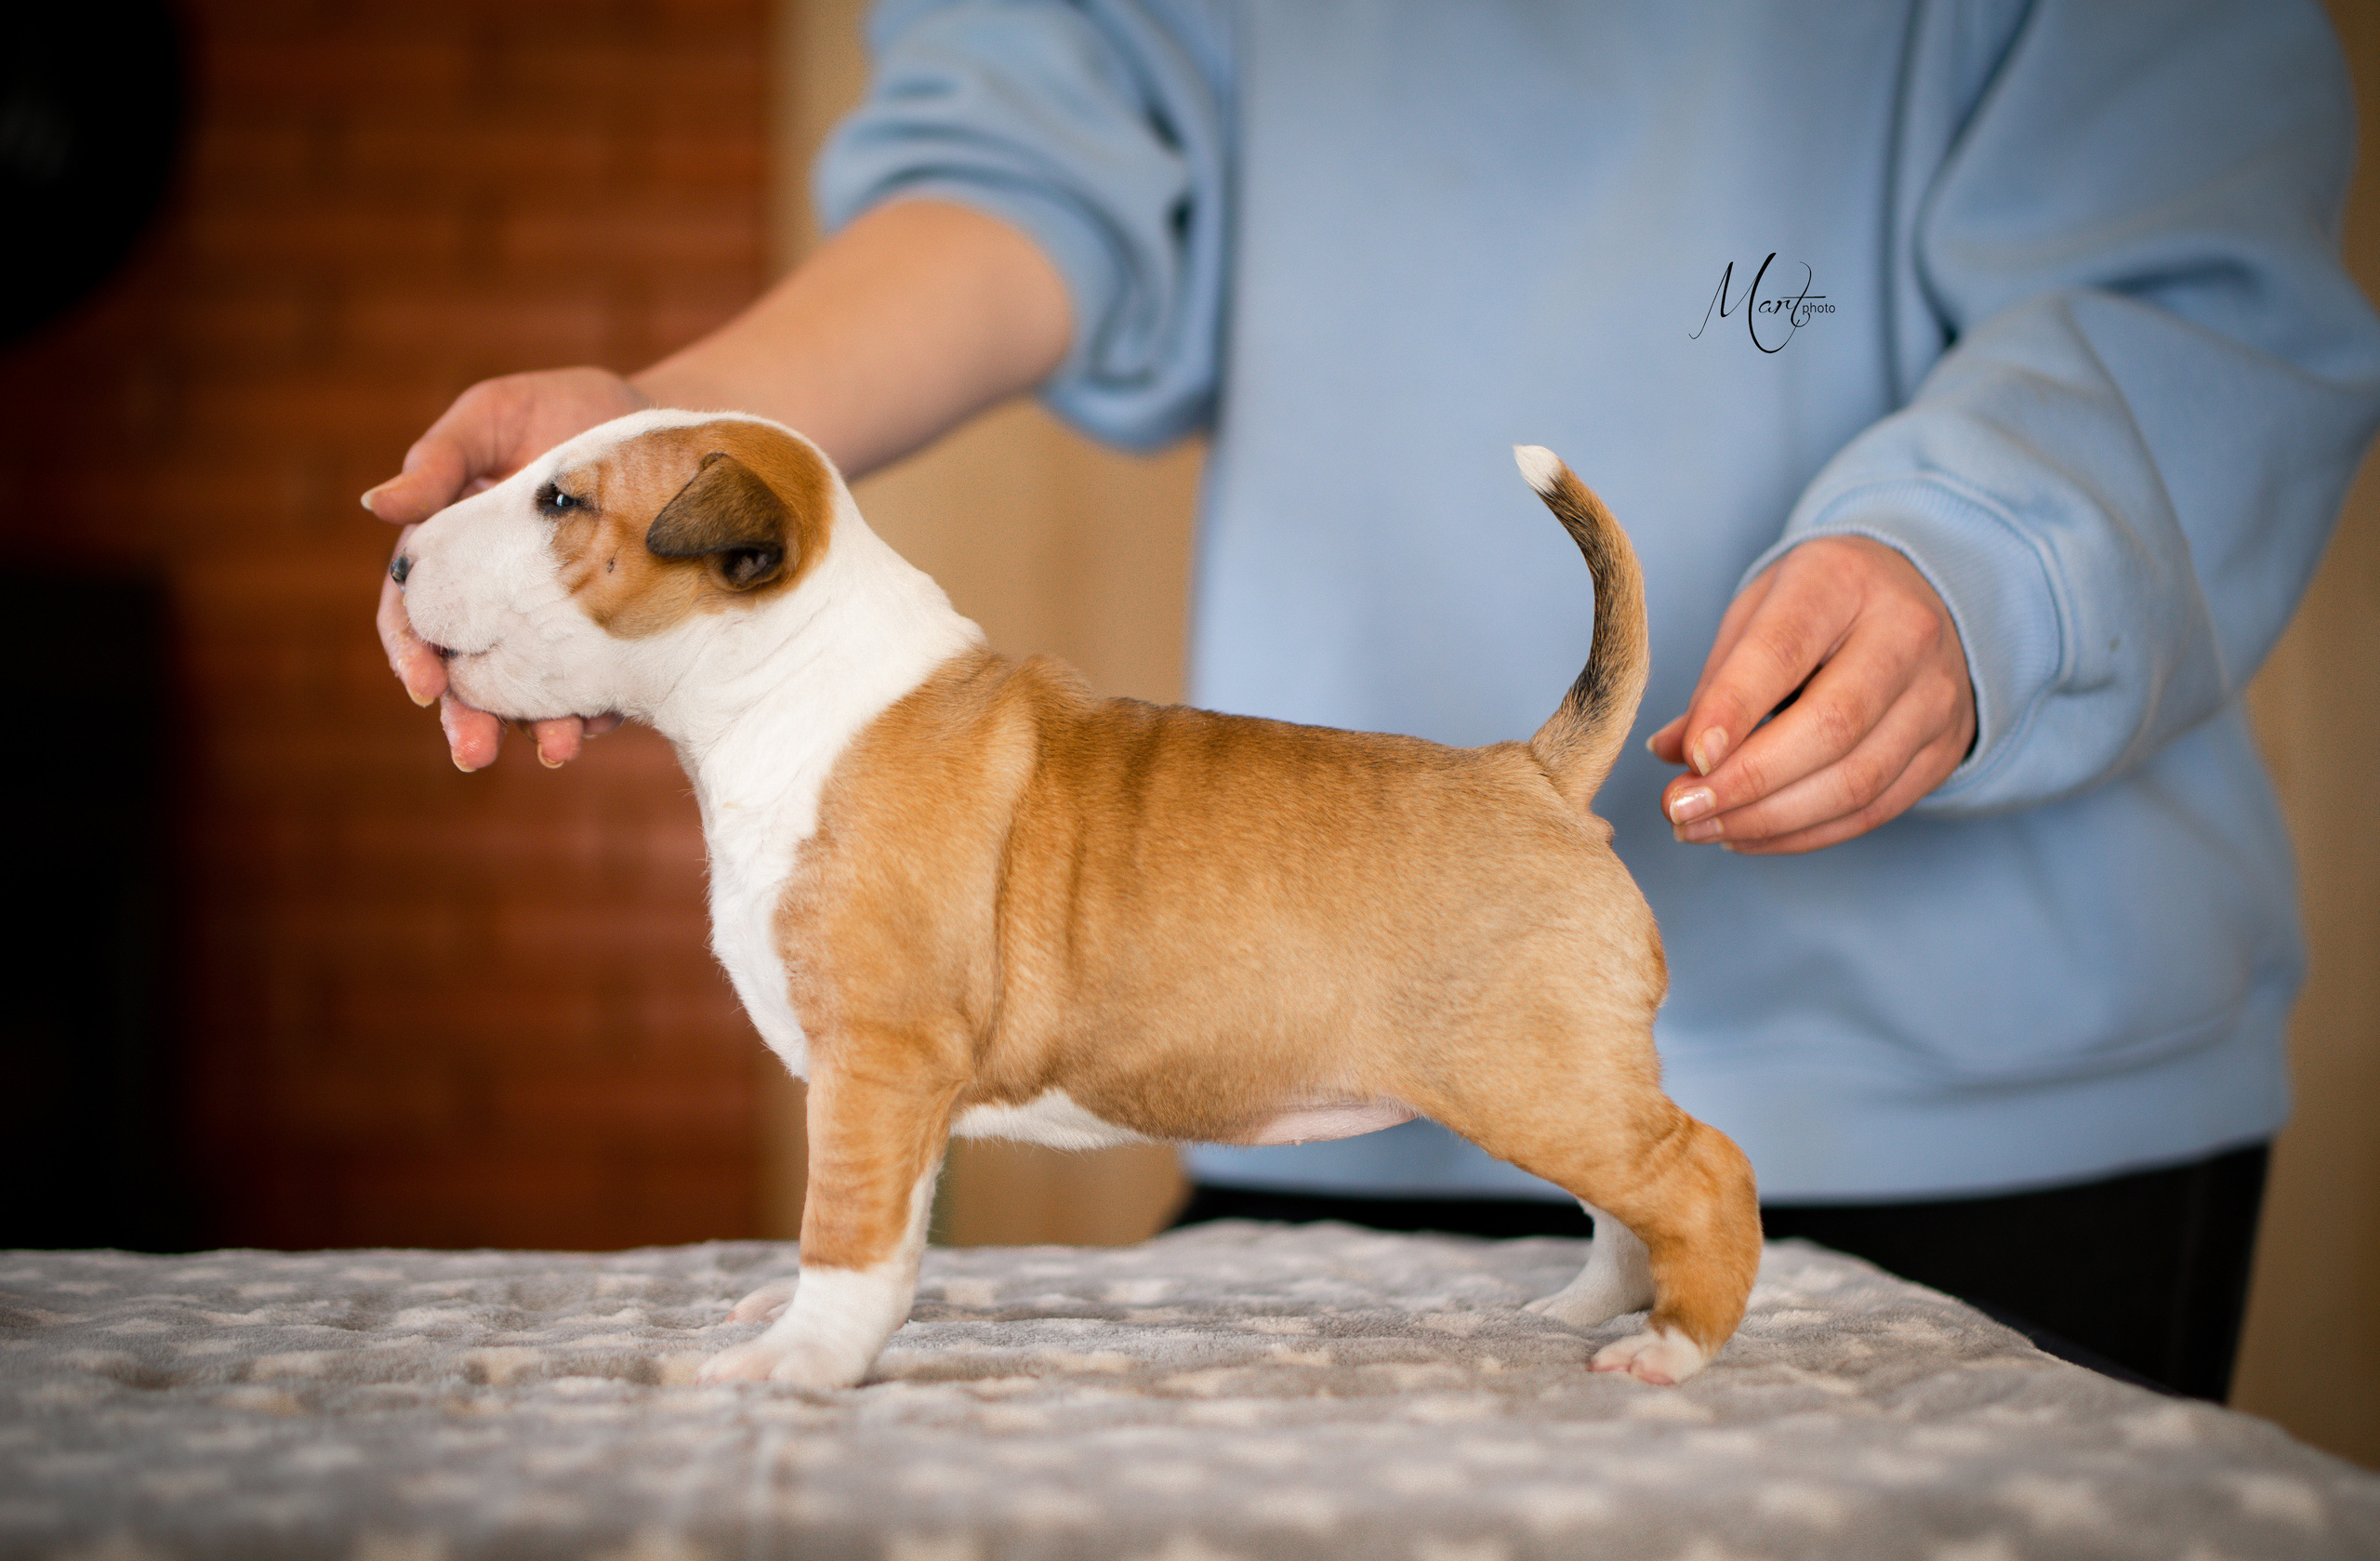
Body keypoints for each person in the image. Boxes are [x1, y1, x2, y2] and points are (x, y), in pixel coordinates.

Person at [370, 0, 2380, 1399]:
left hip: (1994, 1069)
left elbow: (2183, 261)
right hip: (1267, 1038)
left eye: (590, 521)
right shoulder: (804, 672)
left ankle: (1686, 1238)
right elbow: (1029, 150)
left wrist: (1992, 563)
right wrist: (654, 424)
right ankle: (1640, 1223)